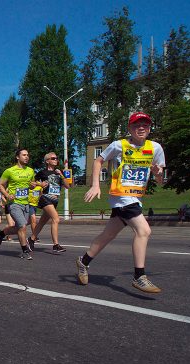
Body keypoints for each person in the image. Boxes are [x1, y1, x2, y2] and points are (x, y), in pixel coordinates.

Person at [77, 112, 165, 293]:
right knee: (144, 230)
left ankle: (83, 261)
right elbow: (98, 161)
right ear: (129, 129)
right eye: (136, 125)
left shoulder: (155, 148)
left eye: (145, 125)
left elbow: (160, 181)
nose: (141, 128)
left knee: (108, 235)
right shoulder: (119, 145)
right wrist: (95, 185)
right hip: (121, 197)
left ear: (149, 128)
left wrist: (157, 172)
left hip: (135, 198)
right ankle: (139, 276)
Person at [0, 148, 36, 260]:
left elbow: (31, 184)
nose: (26, 157)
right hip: (14, 203)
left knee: (19, 227)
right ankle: (25, 251)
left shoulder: (31, 171)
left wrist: (32, 186)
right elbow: (0, 184)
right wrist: (7, 195)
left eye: (27, 155)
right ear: (17, 157)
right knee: (22, 226)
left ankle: (2, 233)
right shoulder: (9, 171)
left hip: (26, 203)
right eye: (24, 155)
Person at [28, 152, 70, 253]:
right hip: (45, 198)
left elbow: (68, 186)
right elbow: (31, 184)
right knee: (56, 218)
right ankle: (56, 245)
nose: (56, 160)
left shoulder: (58, 173)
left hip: (55, 200)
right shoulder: (42, 172)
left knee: (42, 222)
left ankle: (31, 239)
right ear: (47, 161)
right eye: (53, 158)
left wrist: (61, 174)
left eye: (56, 158)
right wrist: (40, 184)